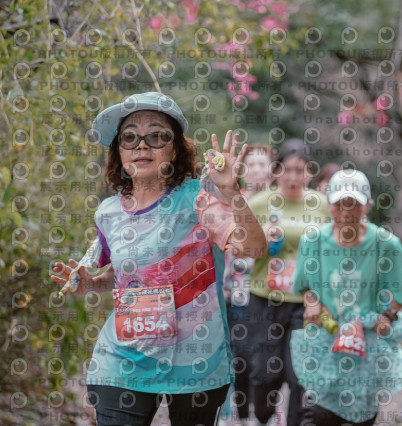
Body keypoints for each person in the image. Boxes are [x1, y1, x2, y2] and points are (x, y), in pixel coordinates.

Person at [50, 92, 267, 426]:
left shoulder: (198, 199)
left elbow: (253, 248)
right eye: (130, 137)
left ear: (175, 149)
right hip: (123, 358)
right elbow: (123, 275)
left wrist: (231, 193)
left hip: (195, 359)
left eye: (156, 136)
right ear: (119, 151)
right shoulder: (108, 212)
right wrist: (90, 283)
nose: (141, 145)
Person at [290, 169, 402, 425]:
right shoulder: (313, 241)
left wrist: (388, 316)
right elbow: (303, 284)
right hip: (327, 334)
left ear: (367, 205)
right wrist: (312, 302)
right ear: (329, 205)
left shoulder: (385, 244)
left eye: (353, 204)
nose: (346, 212)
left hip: (367, 339)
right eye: (339, 204)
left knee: (362, 413)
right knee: (320, 412)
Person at [245, 139, 331, 426]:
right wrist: (261, 236)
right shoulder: (260, 203)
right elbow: (242, 250)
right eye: (287, 169)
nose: (293, 177)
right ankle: (263, 417)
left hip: (306, 302)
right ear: (277, 171)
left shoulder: (322, 206)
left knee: (301, 376)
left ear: (310, 172)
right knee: (265, 373)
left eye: (300, 170)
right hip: (264, 298)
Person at [221, 144, 273, 425]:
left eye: (261, 164)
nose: (255, 170)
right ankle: (242, 418)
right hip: (237, 294)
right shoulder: (234, 201)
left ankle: (264, 416)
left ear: (271, 170)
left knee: (264, 360)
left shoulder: (278, 203)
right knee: (239, 358)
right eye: (250, 164)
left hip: (270, 293)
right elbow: (226, 247)